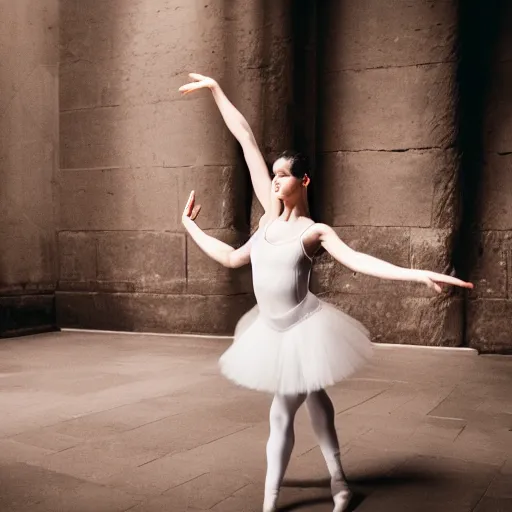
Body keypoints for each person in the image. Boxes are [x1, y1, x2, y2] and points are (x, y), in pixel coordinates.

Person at [178, 73, 473, 512]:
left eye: (283, 175)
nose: (274, 181)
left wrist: (418, 274)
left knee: (282, 413)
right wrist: (217, 90)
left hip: (301, 329)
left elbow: (360, 261)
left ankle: (270, 502)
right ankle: (340, 483)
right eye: (273, 175)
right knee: (317, 403)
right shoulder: (266, 221)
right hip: (270, 330)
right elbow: (245, 146)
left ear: (304, 181)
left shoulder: (314, 233)